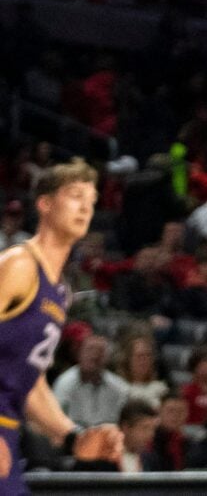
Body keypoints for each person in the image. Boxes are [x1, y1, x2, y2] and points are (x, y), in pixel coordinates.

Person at [0, 163, 96, 487]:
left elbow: (32, 381)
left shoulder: (59, 293)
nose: (85, 206)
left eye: (92, 200)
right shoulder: (19, 265)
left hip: (9, 431)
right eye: (75, 195)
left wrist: (72, 437)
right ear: (45, 204)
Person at [53, 330, 131, 433]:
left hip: (107, 441)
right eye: (90, 350)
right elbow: (57, 420)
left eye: (100, 351)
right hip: (72, 440)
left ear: (107, 358)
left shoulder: (119, 388)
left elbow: (124, 424)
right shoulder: (64, 383)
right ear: (79, 354)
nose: (94, 355)